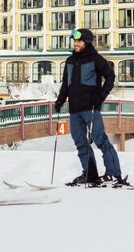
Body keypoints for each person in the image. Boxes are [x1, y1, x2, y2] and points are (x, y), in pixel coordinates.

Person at [55, 28, 129, 187]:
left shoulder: (96, 59)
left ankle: (114, 174)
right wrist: (60, 100)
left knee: (100, 140)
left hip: (91, 108)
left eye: (78, 41)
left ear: (86, 42)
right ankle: (90, 174)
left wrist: (100, 96)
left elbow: (110, 77)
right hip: (74, 110)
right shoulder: (70, 61)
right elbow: (65, 84)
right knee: (80, 143)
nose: (75, 43)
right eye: (74, 41)